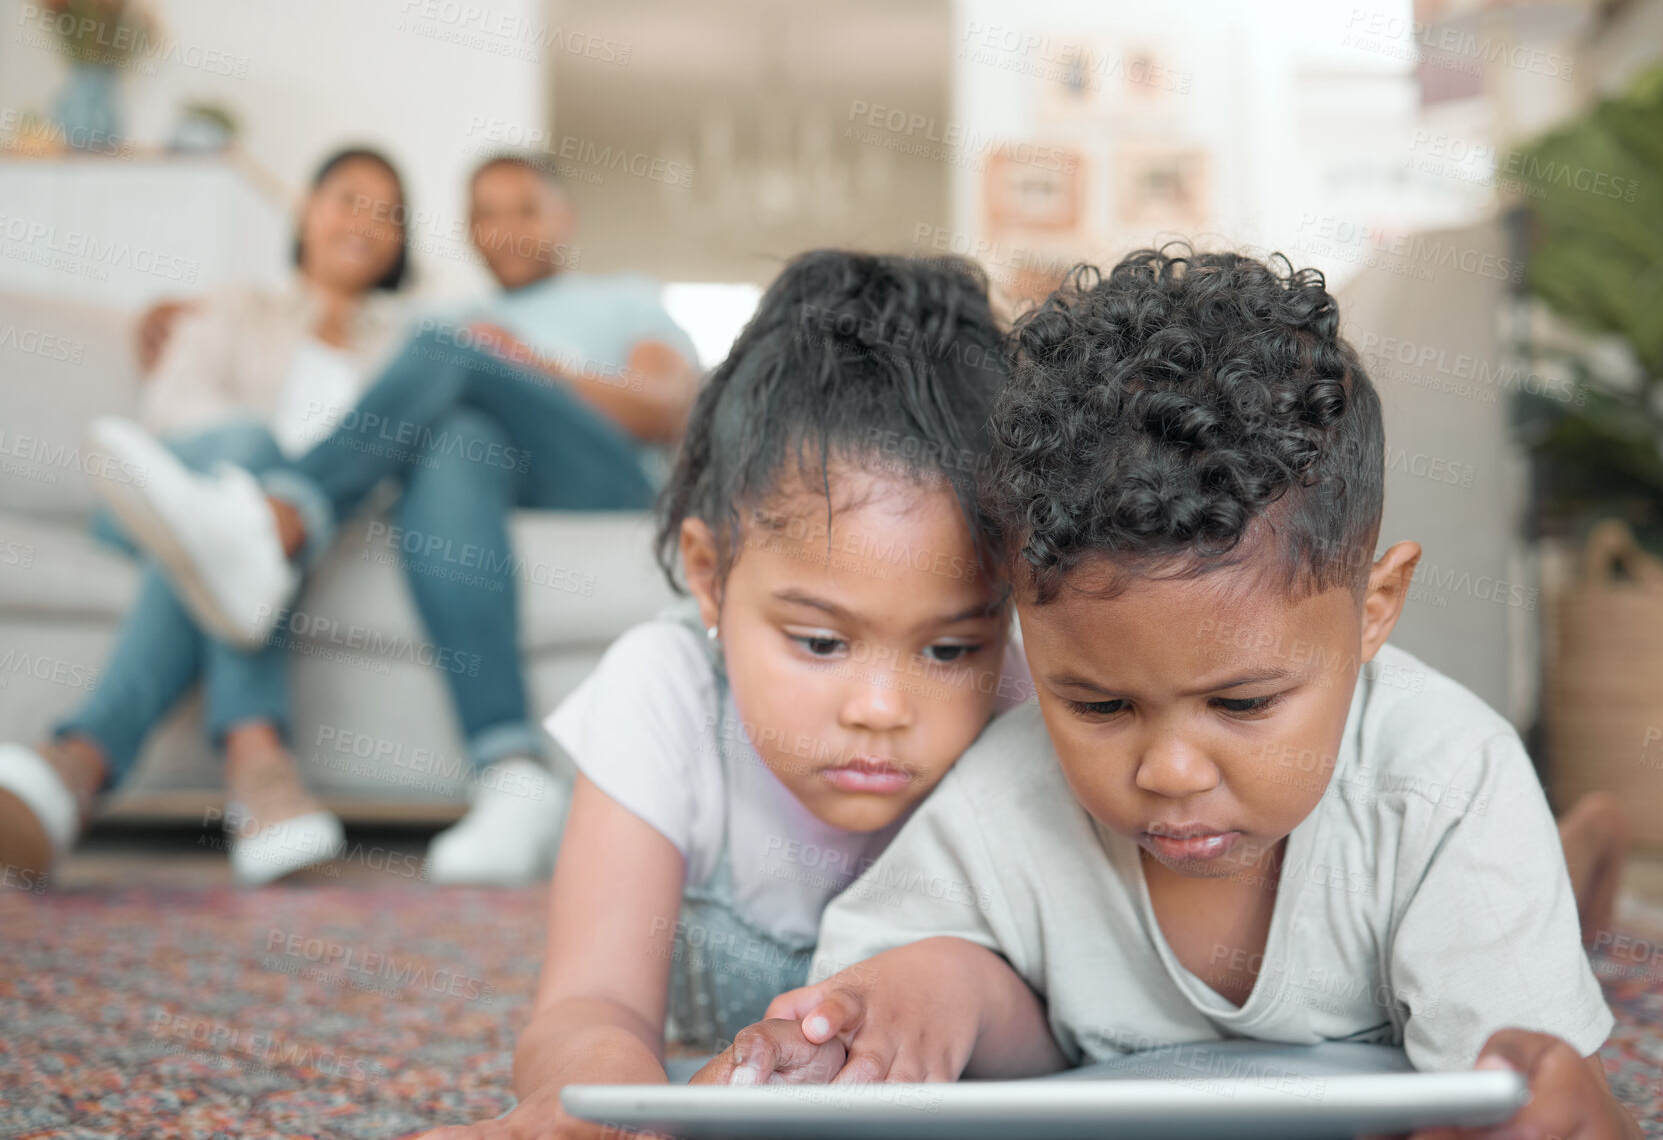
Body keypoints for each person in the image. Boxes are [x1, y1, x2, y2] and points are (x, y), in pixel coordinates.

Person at [699, 248, 1641, 1139]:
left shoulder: (1444, 784)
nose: (1168, 769)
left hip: (1462, 859)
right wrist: (897, 1004)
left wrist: (1546, 1095)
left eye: (1240, 704)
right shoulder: (1004, 795)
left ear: (1374, 608)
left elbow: (1520, 1090)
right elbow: (979, 1003)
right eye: (1100, 706)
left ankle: (1572, 856)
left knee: (1523, 940)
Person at [416, 250, 1031, 1140]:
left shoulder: (1017, 711)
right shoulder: (662, 692)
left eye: (948, 647)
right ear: (709, 577)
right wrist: (605, 1096)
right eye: (820, 641)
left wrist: (958, 995)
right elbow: (591, 999)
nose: (880, 708)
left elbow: (1075, 1016)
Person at [82, 155, 702, 884]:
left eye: (525, 209)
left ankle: (278, 525)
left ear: (564, 217)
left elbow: (666, 407)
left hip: (598, 473)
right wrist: (172, 313)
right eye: (484, 213)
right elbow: (334, 348)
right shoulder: (444, 320)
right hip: (493, 476)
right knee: (456, 438)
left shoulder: (615, 300)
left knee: (451, 354)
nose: (504, 228)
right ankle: (512, 775)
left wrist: (529, 365)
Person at [0, 147, 412, 886]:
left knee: (232, 551)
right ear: (307, 213)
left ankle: (77, 763)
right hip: (154, 502)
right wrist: (267, 478)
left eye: (388, 213)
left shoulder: (396, 354)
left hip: (278, 538)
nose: (366, 221)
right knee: (251, 459)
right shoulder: (235, 306)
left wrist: (272, 505)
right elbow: (170, 407)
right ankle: (257, 759)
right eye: (349, 198)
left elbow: (379, 478)